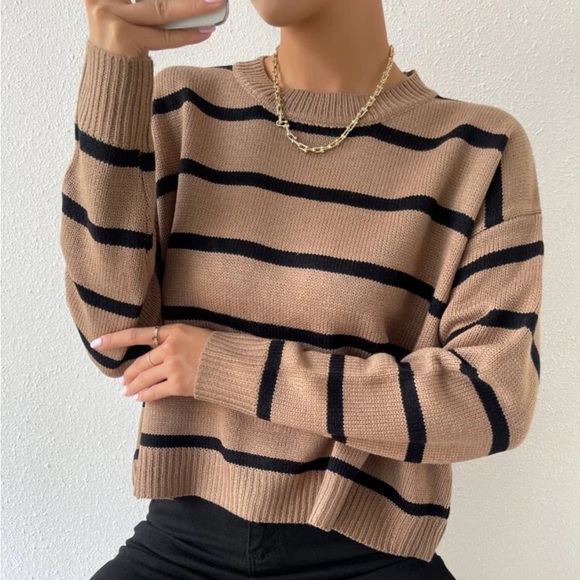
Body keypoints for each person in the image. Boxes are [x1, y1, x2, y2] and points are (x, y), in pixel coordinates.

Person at [60, 0, 543, 578]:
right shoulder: (185, 108)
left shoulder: (478, 149)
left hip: (367, 560)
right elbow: (114, 340)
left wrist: (224, 365)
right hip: (179, 546)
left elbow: (489, 402)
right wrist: (114, 65)